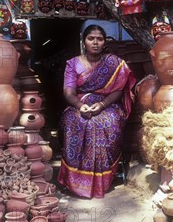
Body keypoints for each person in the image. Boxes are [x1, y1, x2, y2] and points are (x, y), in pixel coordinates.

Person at [57, 24, 136, 198]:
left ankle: (104, 178)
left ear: (104, 42)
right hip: (80, 103)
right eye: (90, 38)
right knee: (73, 120)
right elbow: (68, 93)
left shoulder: (114, 63)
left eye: (99, 39)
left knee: (104, 122)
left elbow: (118, 90)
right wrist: (80, 106)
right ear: (83, 41)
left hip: (108, 104)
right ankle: (74, 181)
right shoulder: (73, 63)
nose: (95, 42)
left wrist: (102, 105)